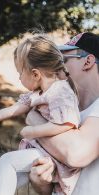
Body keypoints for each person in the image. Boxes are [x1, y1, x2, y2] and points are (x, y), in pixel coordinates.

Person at [0, 33, 81, 195]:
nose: (19, 79)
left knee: (6, 161)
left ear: (36, 74)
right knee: (12, 175)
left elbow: (67, 123)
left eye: (20, 73)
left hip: (56, 155)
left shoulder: (60, 91)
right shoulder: (37, 93)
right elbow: (12, 110)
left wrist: (33, 131)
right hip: (45, 151)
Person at [28, 32, 99, 195]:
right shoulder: (65, 113)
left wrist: (33, 118)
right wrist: (41, 182)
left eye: (63, 59)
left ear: (87, 61)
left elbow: (76, 154)